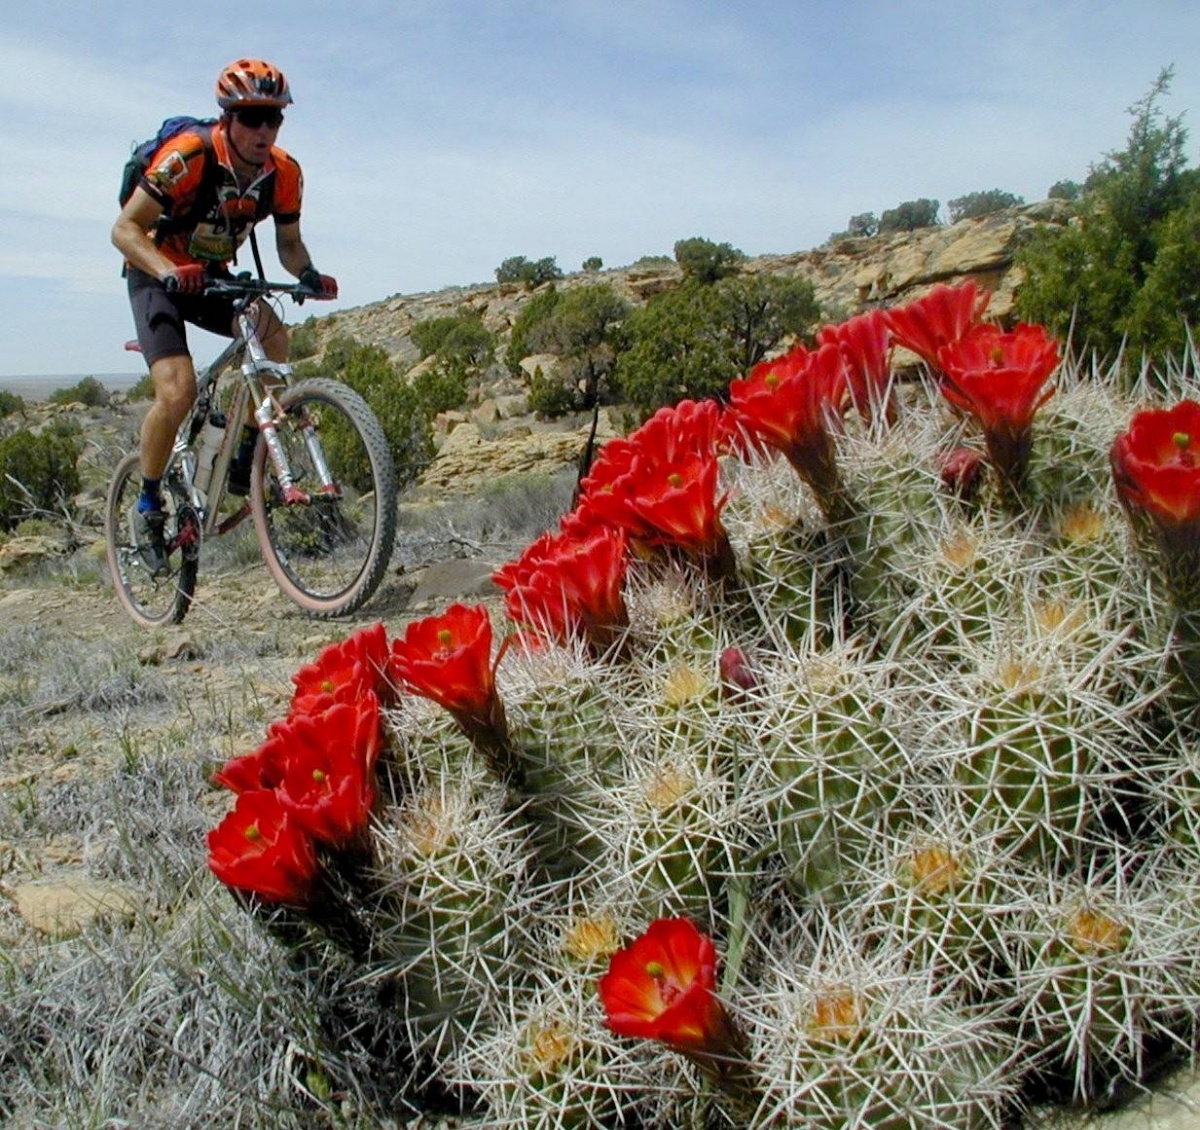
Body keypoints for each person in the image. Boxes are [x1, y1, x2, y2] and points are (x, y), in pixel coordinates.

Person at [111, 57, 337, 570]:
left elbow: (290, 244)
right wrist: (166, 269)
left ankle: (248, 454)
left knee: (274, 338)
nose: (263, 129)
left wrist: (309, 276)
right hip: (157, 271)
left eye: (273, 117)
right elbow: (124, 230)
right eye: (251, 116)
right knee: (177, 391)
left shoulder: (283, 172)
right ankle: (147, 502)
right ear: (227, 118)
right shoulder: (187, 156)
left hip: (211, 275)